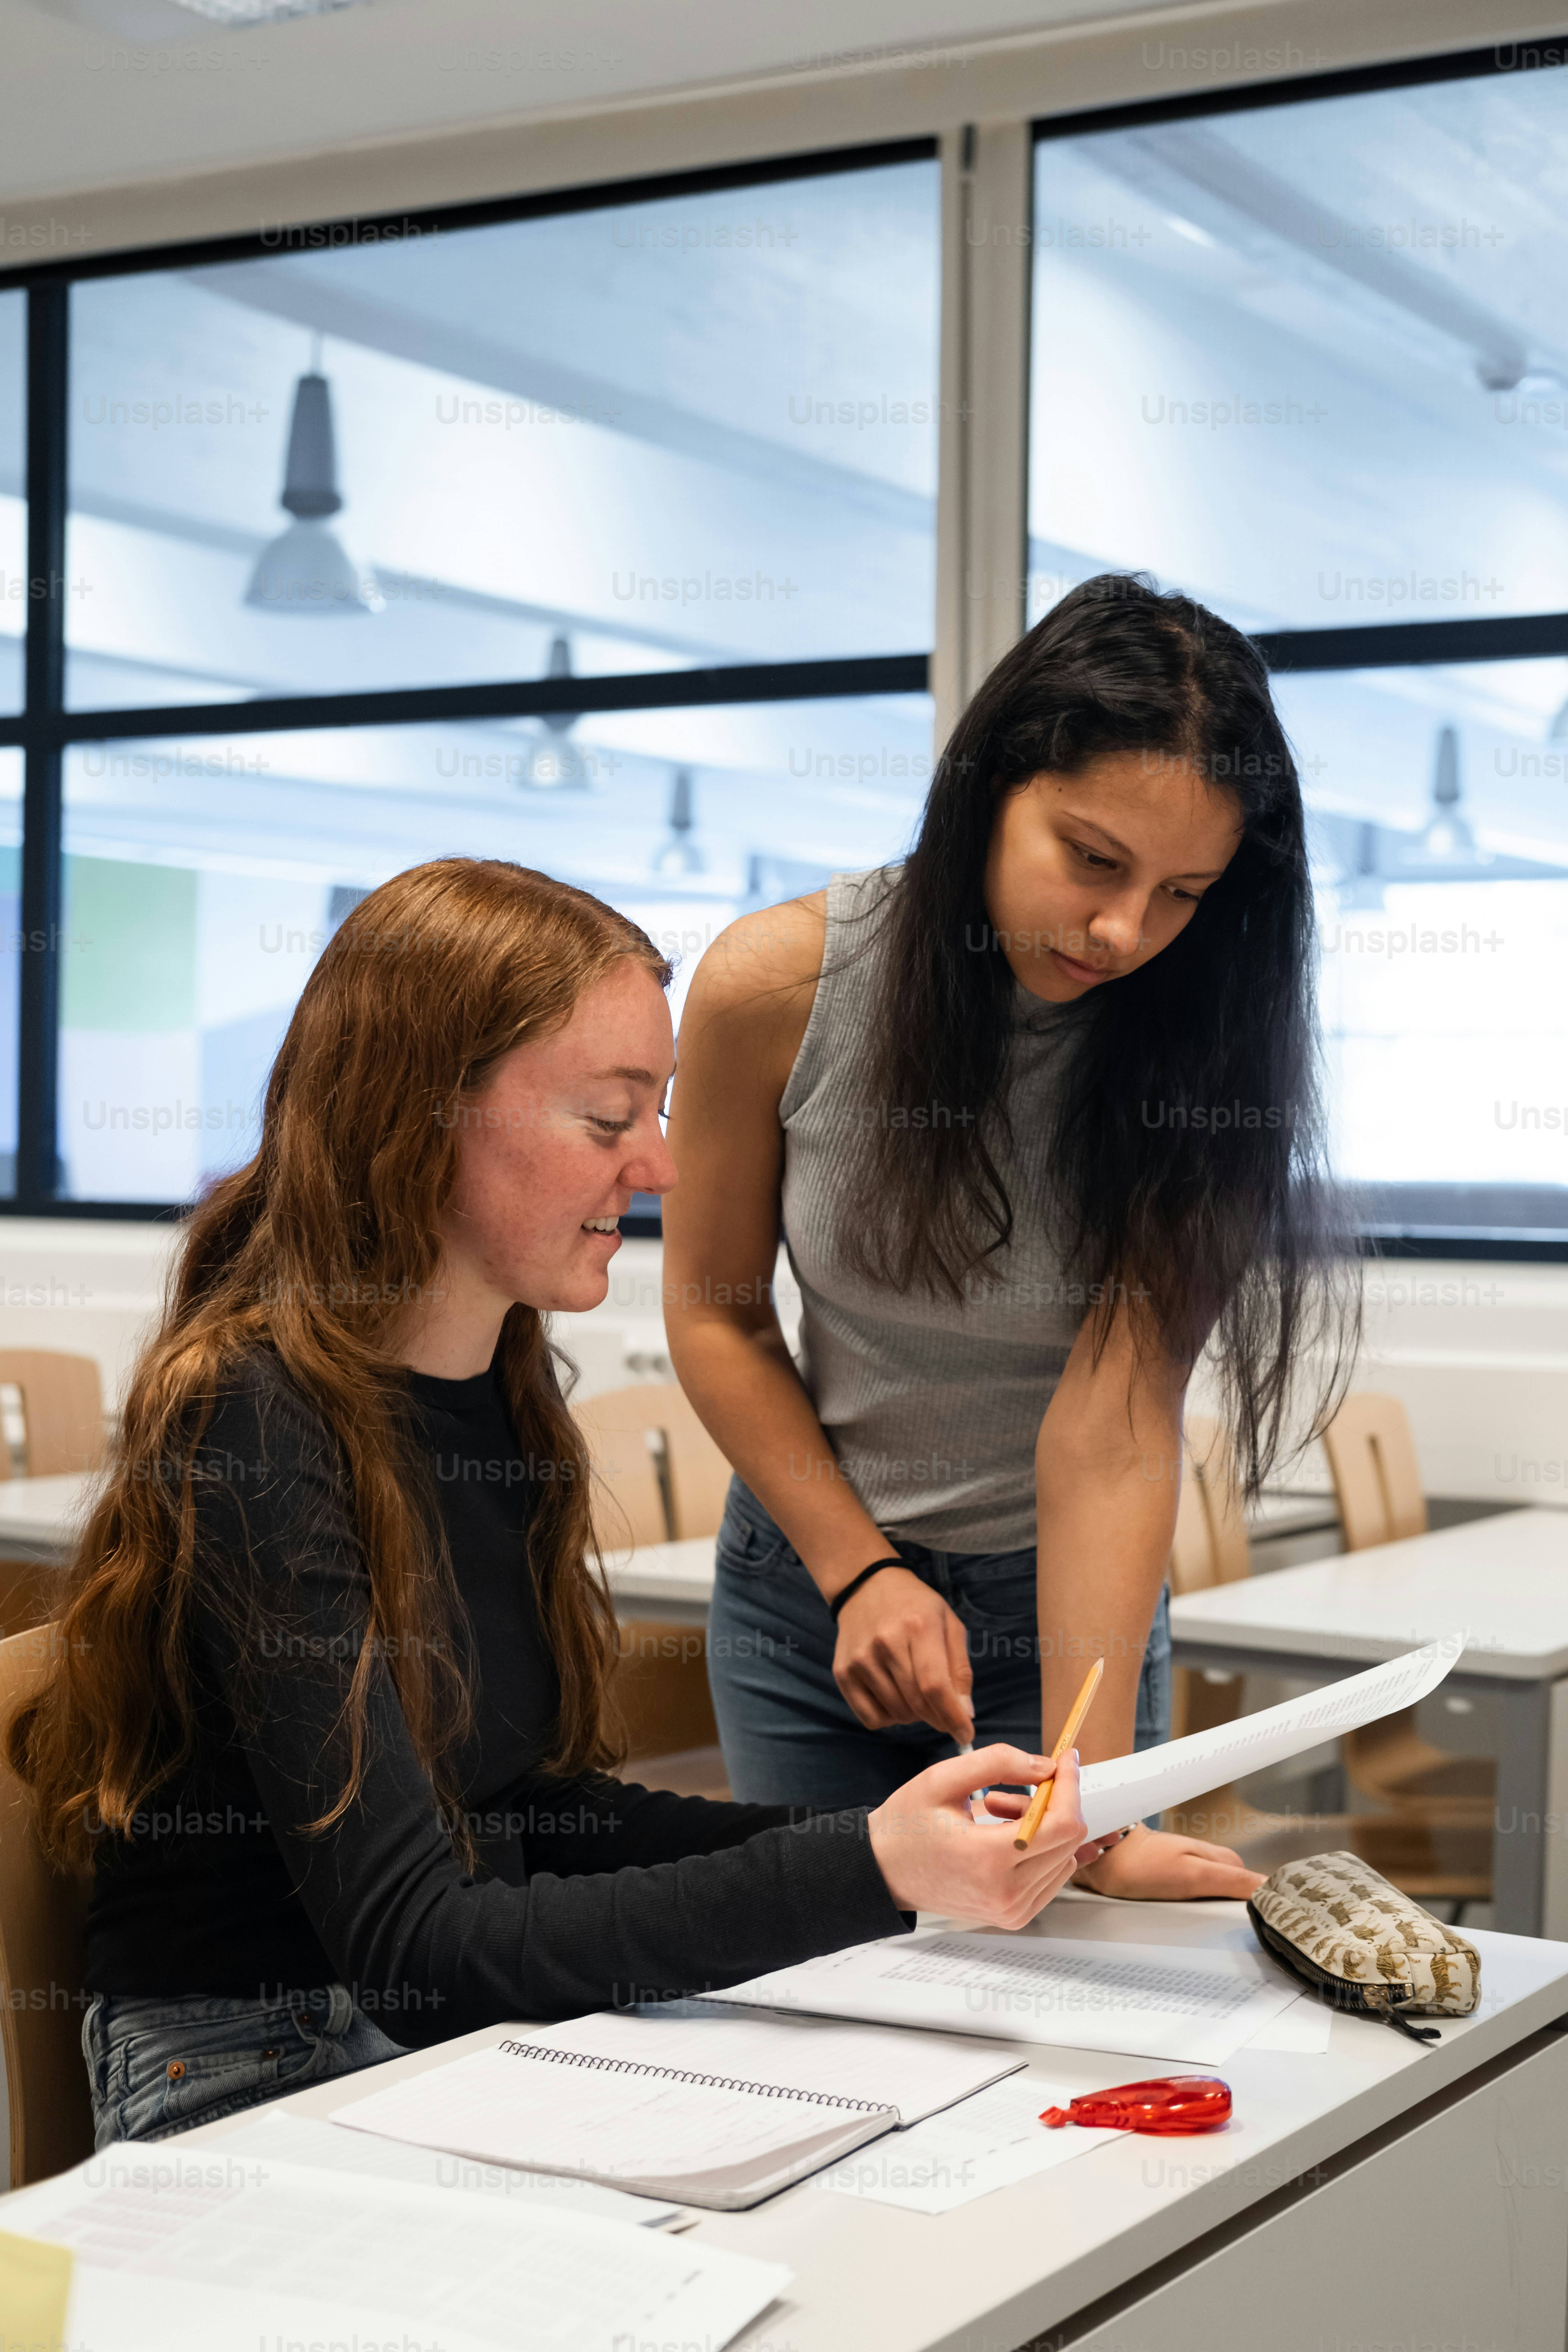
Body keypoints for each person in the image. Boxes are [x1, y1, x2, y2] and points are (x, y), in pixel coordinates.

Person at [8, 859, 1101, 2149]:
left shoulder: (500, 1389)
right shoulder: (256, 1413)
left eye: (660, 1112)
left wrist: (901, 1837)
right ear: (419, 1116)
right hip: (251, 2062)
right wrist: (862, 1869)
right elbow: (421, 1943)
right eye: (606, 1118)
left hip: (409, 2034)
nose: (660, 1167)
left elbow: (536, 1812)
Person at [664, 575, 1354, 1897]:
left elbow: (1115, 1421)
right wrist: (857, 1570)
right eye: (1093, 859)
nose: (1123, 929)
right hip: (809, 1585)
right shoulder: (775, 987)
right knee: (826, 1984)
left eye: (1182, 893)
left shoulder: (1209, 1049)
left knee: (1058, 1974)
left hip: (1067, 1613)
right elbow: (714, 1312)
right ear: (991, 783)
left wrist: (1087, 1812)